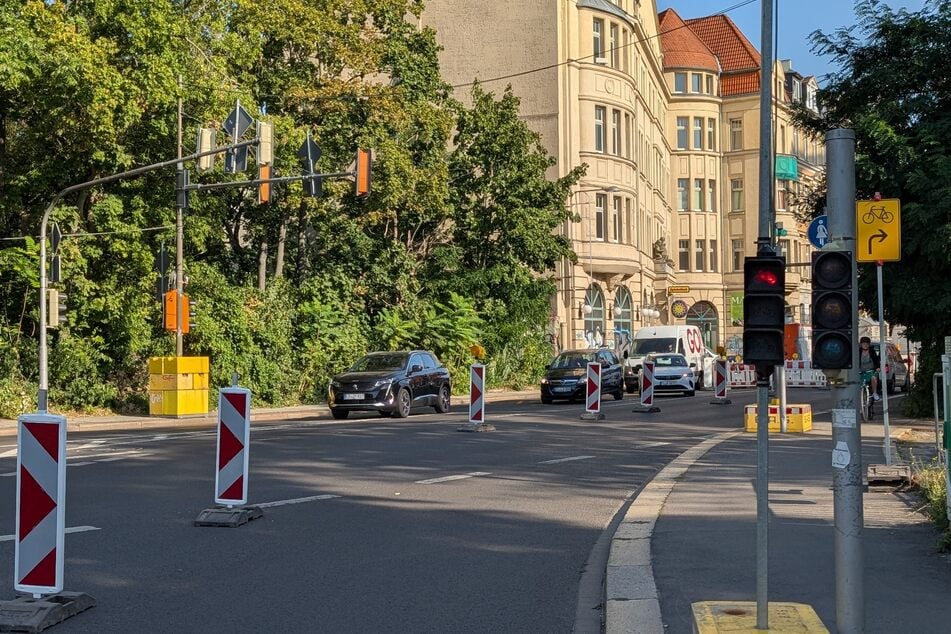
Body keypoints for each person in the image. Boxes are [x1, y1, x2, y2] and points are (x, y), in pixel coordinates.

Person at [859, 336, 881, 401]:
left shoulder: (871, 351)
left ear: (869, 344)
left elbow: (876, 360)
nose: (865, 345)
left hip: (871, 370)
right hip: (860, 371)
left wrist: (877, 367)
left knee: (873, 378)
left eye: (867, 344)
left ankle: (874, 393)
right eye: (863, 343)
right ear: (861, 344)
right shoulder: (858, 351)